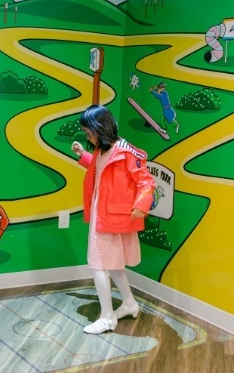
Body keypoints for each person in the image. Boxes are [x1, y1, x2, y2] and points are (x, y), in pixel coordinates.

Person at [71, 105, 156, 334]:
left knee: (98, 264)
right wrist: (83, 155)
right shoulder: (103, 151)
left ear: (99, 126)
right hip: (104, 212)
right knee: (114, 265)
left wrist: (141, 205)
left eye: (88, 129)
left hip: (111, 216)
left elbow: (146, 181)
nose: (86, 133)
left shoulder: (126, 152)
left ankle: (108, 317)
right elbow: (103, 170)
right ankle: (129, 304)